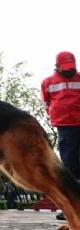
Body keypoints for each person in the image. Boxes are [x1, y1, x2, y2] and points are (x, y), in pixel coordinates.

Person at [41, 51, 80, 221]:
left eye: (72, 68)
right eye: (65, 68)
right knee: (69, 167)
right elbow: (47, 103)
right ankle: (71, 208)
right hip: (65, 127)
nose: (69, 71)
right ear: (57, 66)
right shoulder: (48, 83)